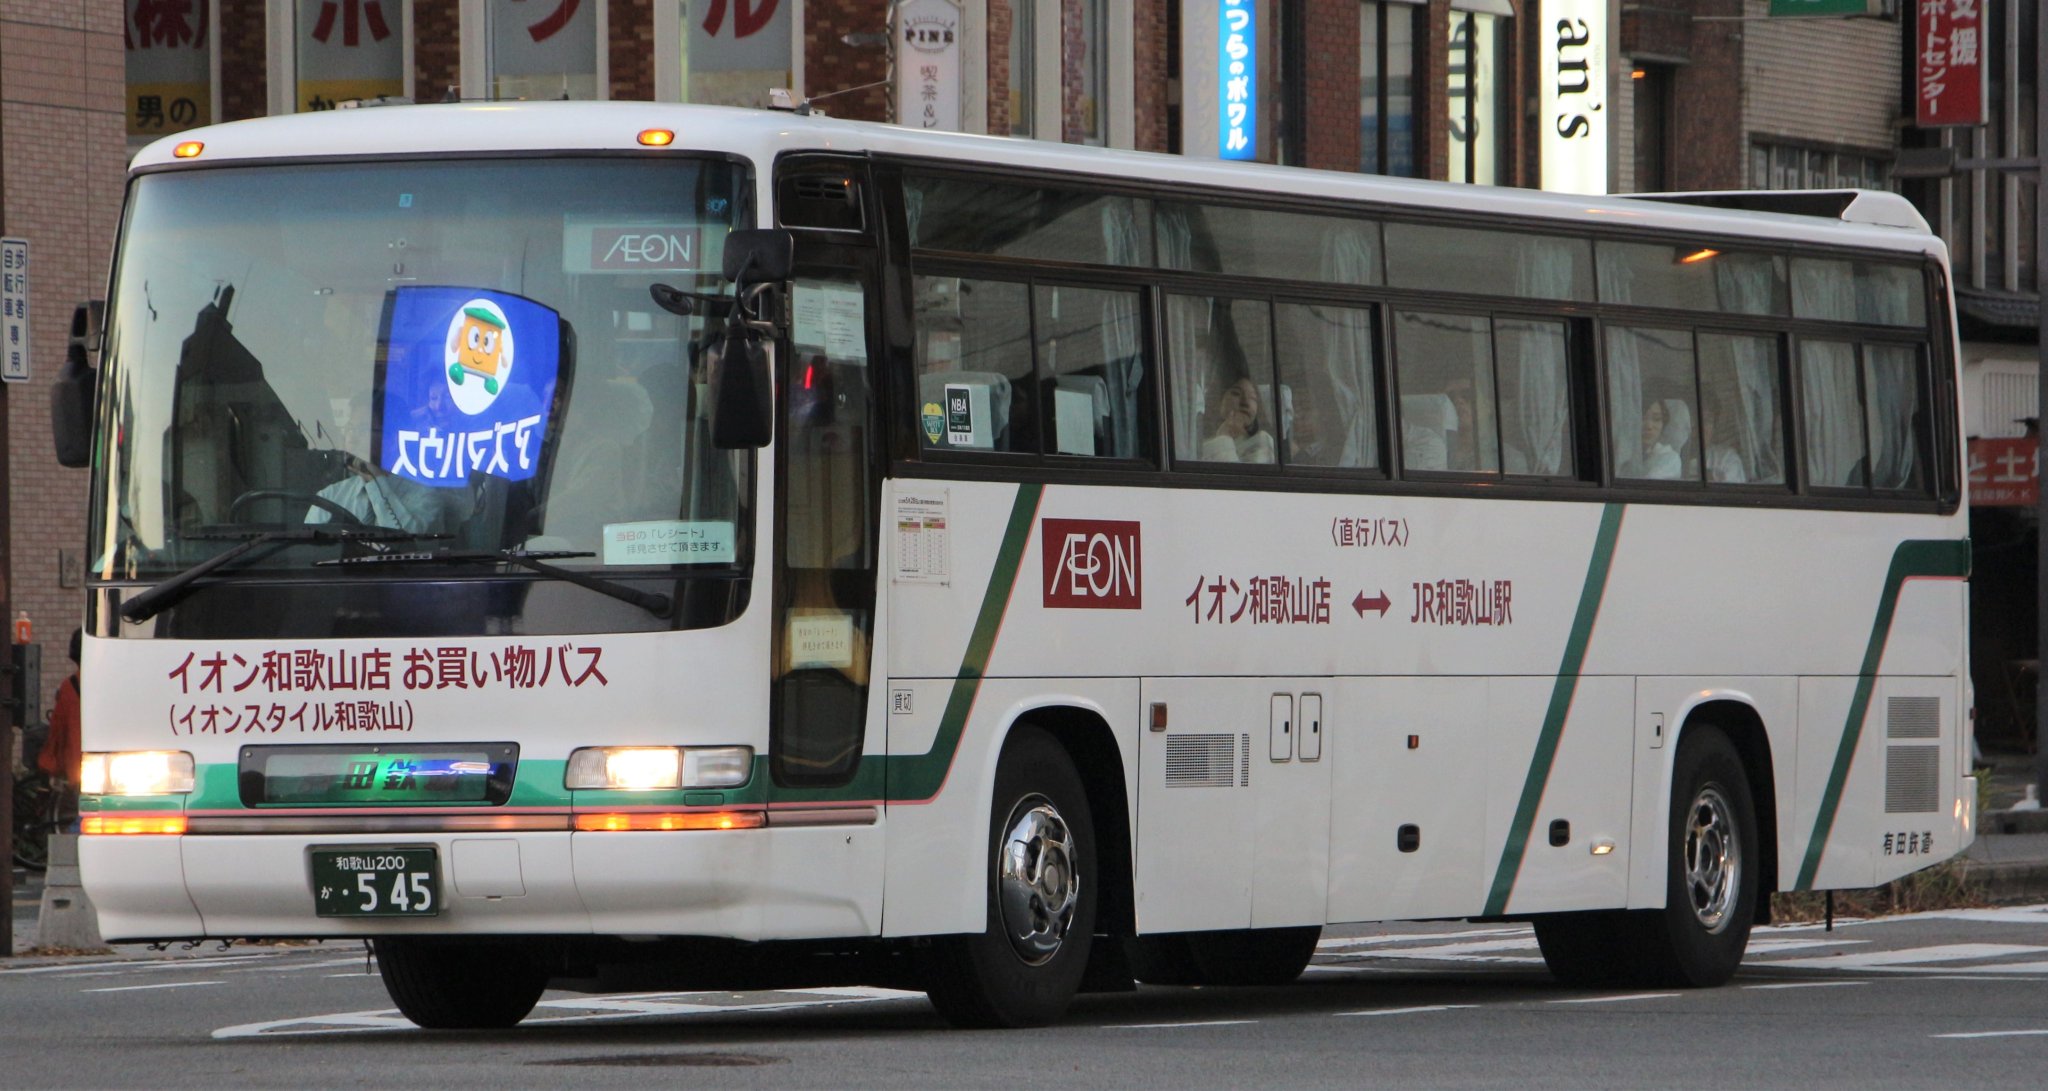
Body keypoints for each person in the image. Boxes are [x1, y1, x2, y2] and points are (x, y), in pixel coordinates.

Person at [38, 629, 82, 829]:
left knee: (81, 819)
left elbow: (57, 732)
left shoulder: (69, 687)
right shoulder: (113, 685)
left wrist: (52, 764)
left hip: (80, 769)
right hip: (115, 771)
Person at [1199, 376, 1277, 464]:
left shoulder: (1263, 443)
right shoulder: (1197, 443)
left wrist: (1224, 439)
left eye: (1253, 397)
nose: (1245, 402)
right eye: (1236, 393)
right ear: (1218, 400)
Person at [1640, 398, 1687, 480]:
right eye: (1642, 418)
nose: (1649, 426)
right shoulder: (1620, 453)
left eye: (1657, 419)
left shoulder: (1669, 459)